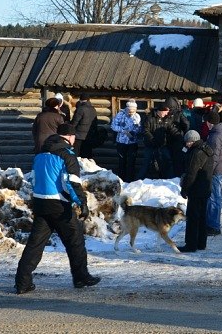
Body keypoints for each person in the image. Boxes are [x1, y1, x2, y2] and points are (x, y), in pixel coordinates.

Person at [14, 124, 99, 294]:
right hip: (59, 204)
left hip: (40, 202)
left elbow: (34, 179)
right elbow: (71, 182)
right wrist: (81, 202)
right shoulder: (67, 154)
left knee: (35, 245)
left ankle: (22, 282)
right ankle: (81, 277)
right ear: (70, 137)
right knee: (75, 240)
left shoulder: (40, 154)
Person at [178, 130, 215, 253]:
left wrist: (185, 189)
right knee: (202, 217)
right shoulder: (206, 150)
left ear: (192, 141)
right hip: (205, 188)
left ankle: (191, 244)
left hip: (196, 189)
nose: (186, 144)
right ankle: (201, 243)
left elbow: (191, 174)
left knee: (193, 218)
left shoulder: (196, 152)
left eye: (188, 142)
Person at [205, 110, 222, 236]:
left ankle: (213, 226)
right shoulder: (221, 132)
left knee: (214, 198)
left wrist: (208, 171)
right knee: (215, 197)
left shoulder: (214, 136)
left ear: (210, 122)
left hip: (215, 171)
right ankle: (212, 224)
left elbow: (213, 157)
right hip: (220, 169)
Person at [110, 100, 142, 182]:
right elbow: (113, 126)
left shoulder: (137, 116)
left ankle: (130, 180)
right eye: (130, 110)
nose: (131, 112)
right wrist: (123, 130)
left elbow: (139, 128)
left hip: (132, 142)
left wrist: (135, 131)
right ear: (127, 108)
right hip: (121, 142)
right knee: (122, 161)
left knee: (131, 162)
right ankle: (121, 179)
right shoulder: (120, 115)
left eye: (133, 110)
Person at [140, 104, 174, 179]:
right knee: (146, 164)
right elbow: (145, 130)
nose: (167, 114)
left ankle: (167, 180)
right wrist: (152, 139)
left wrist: (177, 136)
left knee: (166, 162)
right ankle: (139, 182)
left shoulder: (166, 119)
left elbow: (171, 130)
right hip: (150, 146)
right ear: (160, 111)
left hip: (162, 145)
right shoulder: (149, 118)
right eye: (165, 112)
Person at [164, 97, 190, 178]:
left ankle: (171, 177)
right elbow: (186, 124)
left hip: (169, 141)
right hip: (177, 141)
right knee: (177, 161)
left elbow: (186, 124)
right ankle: (176, 177)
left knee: (170, 161)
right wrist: (182, 132)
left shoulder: (169, 114)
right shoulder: (179, 113)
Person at [70, 93, 98, 159]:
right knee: (87, 155)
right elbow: (95, 123)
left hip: (79, 136)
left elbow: (75, 122)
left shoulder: (80, 109)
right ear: (88, 100)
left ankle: (77, 168)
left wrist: (70, 130)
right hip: (89, 135)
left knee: (77, 155)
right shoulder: (93, 109)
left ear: (80, 99)